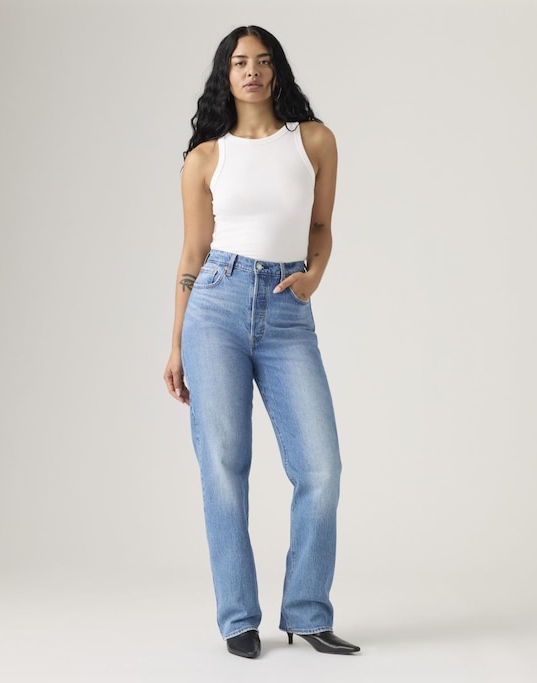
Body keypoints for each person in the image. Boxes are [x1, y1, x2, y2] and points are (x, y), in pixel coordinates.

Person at [163, 25, 360, 659]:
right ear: (226, 75)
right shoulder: (204, 158)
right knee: (224, 467)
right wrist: (176, 345)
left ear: (277, 72)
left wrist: (313, 278)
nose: (252, 71)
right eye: (240, 62)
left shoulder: (314, 141)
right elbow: (192, 255)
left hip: (286, 309)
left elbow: (321, 226)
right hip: (215, 307)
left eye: (263, 61)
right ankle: (238, 619)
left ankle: (307, 611)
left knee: (320, 468)